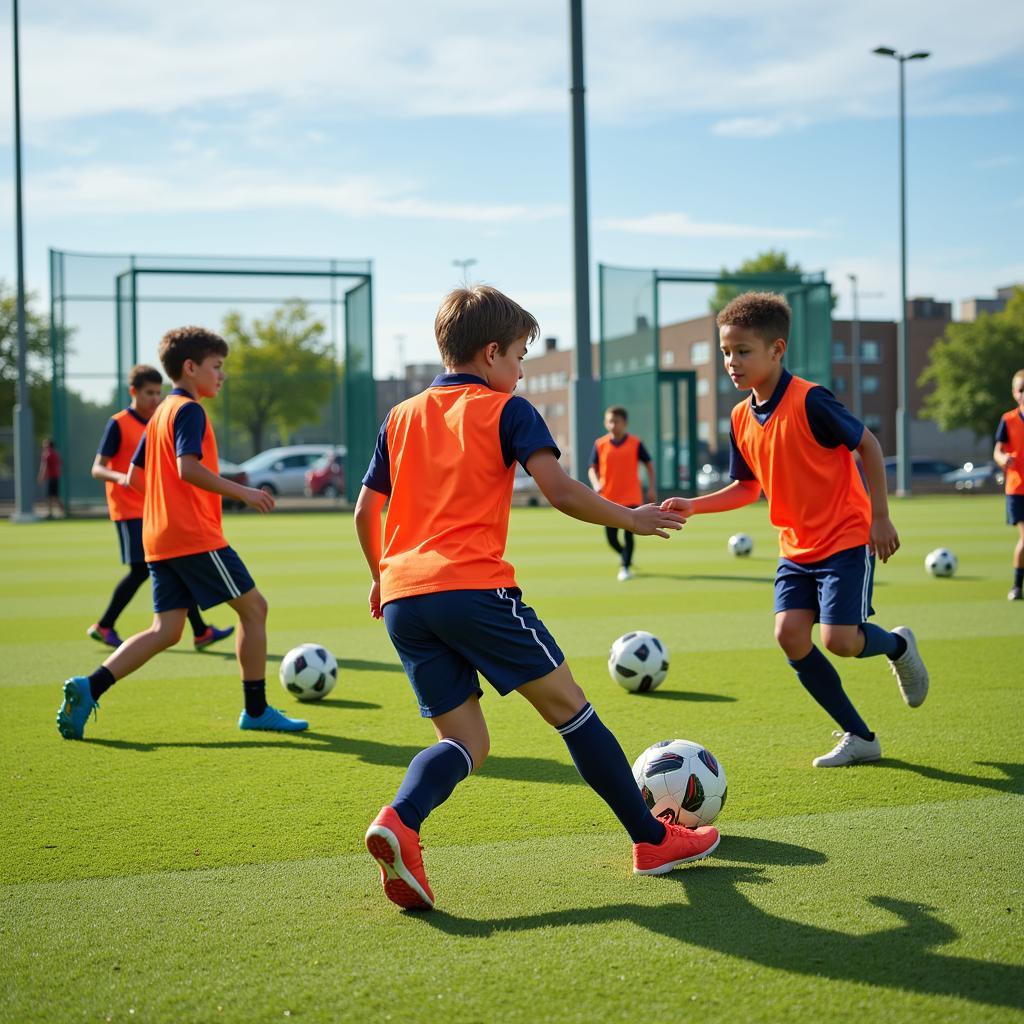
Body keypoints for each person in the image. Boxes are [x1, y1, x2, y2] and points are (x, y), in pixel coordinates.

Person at [354, 285, 718, 912]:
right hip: (473, 588)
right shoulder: (508, 409)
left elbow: (367, 509)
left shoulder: (401, 415)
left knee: (467, 743)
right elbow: (559, 489)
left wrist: (382, 575)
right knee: (570, 709)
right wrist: (631, 519)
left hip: (405, 598)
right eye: (520, 355)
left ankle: (401, 820)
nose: (522, 370)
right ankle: (652, 839)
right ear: (492, 353)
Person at [661, 292, 930, 768]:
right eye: (726, 352)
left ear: (776, 349)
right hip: (795, 548)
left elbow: (867, 445)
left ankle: (899, 645)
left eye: (742, 351)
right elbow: (747, 488)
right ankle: (859, 736)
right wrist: (694, 507)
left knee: (840, 641)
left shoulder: (811, 401)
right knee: (789, 635)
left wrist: (881, 517)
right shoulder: (740, 417)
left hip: (846, 537)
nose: (731, 362)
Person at [56, 326, 308, 740]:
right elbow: (186, 468)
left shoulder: (158, 416)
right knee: (255, 609)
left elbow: (135, 476)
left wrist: (165, 503)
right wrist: (241, 491)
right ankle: (257, 709)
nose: (221, 375)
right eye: (216, 366)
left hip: (159, 537)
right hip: (193, 536)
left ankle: (90, 686)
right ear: (190, 368)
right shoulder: (189, 410)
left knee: (167, 630)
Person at [86, 363, 235, 650]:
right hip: (129, 509)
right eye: (148, 393)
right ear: (133, 392)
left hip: (155, 510)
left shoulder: (158, 420)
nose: (154, 399)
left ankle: (201, 630)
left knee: (174, 565)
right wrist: (123, 479)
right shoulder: (118, 423)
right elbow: (98, 468)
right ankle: (105, 624)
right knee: (142, 570)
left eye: (158, 392)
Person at [588, 406, 656, 581]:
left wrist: (652, 488)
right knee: (611, 538)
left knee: (629, 532)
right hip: (609, 498)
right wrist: (596, 483)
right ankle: (625, 555)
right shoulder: (600, 444)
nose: (612, 425)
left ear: (624, 423)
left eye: (616, 421)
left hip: (631, 496)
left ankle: (625, 567)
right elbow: (592, 468)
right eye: (609, 421)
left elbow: (649, 464)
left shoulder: (635, 443)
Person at [994, 368, 1024, 601]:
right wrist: (1003, 459)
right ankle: (1016, 586)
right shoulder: (1008, 420)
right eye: (1021, 390)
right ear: (1014, 393)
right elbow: (998, 451)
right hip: (1017, 489)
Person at [37, 438, 64, 518]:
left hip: (51, 477)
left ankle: (50, 513)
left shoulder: (47, 454)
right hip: (56, 477)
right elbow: (60, 464)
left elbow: (44, 467)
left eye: (45, 444)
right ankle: (62, 511)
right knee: (55, 496)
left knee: (50, 496)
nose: (43, 445)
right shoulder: (56, 454)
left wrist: (41, 477)